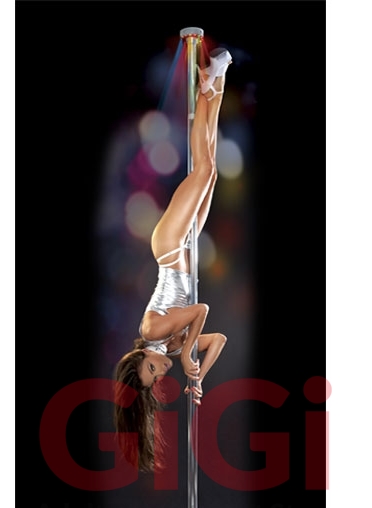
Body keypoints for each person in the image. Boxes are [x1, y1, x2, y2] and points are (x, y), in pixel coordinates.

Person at [113, 48, 232, 472]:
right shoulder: (174, 343)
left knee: (201, 172)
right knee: (211, 170)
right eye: (158, 377)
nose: (161, 371)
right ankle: (215, 84)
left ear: (139, 358)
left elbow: (200, 310)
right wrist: (198, 375)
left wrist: (185, 359)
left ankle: (205, 87)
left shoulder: (152, 331)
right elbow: (217, 340)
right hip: (188, 247)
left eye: (152, 370)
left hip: (168, 246)